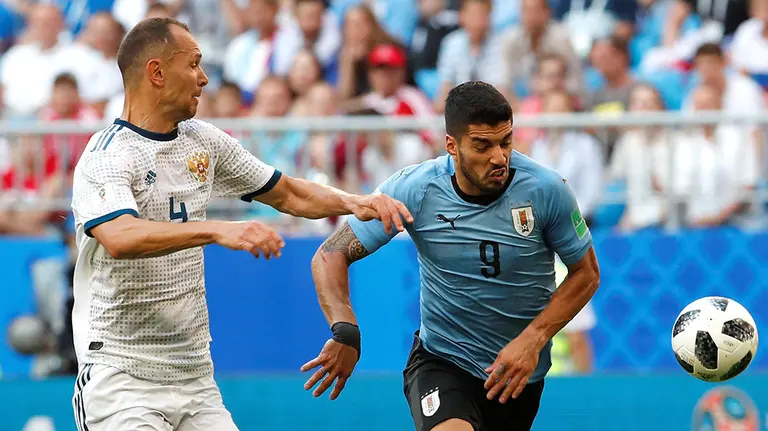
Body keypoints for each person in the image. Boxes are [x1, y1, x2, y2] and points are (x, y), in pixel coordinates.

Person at [69, 17, 413, 431]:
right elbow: (120, 235)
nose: (204, 77)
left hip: (194, 378)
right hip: (121, 378)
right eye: (193, 64)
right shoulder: (107, 154)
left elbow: (288, 192)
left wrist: (355, 202)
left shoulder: (203, 141)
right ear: (156, 73)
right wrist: (217, 229)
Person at [302, 81, 601, 431]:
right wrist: (345, 331)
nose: (499, 157)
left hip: (517, 377)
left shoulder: (547, 190)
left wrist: (532, 340)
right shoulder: (415, 189)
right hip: (442, 360)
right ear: (451, 146)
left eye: (506, 142)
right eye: (482, 145)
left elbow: (587, 273)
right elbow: (331, 253)